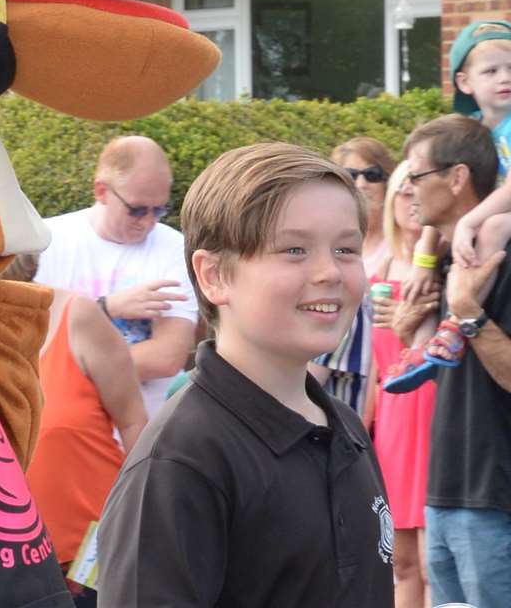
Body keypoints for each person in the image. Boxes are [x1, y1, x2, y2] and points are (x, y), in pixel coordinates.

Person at [98, 143, 393, 607]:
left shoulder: (345, 428)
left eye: (346, 249)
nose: (330, 272)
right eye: (294, 250)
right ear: (213, 276)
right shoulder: (181, 461)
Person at [396, 115, 511, 608]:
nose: (408, 189)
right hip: (444, 494)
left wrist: (468, 313)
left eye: (416, 175)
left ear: (457, 178)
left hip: (496, 499)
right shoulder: (450, 260)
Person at [386, 19, 511, 391]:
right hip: (508, 210)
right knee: (440, 246)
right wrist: (423, 264)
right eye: (491, 71)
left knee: (491, 227)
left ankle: (457, 323)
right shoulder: (475, 127)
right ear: (464, 83)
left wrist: (470, 222)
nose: (504, 78)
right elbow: (445, 220)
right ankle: (423, 347)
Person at [11, 256, 146, 607]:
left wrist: (142, 522)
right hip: (3, 562)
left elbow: (135, 423)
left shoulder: (77, 316)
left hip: (89, 555)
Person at [36, 137, 197, 418]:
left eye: (159, 210)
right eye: (136, 209)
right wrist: (107, 307)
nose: (148, 221)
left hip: (145, 436)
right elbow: (25, 342)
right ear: (102, 191)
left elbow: (166, 359)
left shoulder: (173, 249)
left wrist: (64, 366)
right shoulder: (46, 242)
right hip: (62, 438)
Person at [368, 164, 439, 608]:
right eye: (402, 194)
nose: (411, 203)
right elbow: (374, 368)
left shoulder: (440, 265)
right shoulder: (378, 271)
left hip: (435, 413)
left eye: (419, 193)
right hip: (393, 421)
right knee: (399, 560)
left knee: (435, 558)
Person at [310, 138, 396, 418]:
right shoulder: (324, 242)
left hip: (379, 377)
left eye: (372, 175)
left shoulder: (400, 247)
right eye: (349, 176)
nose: (361, 185)